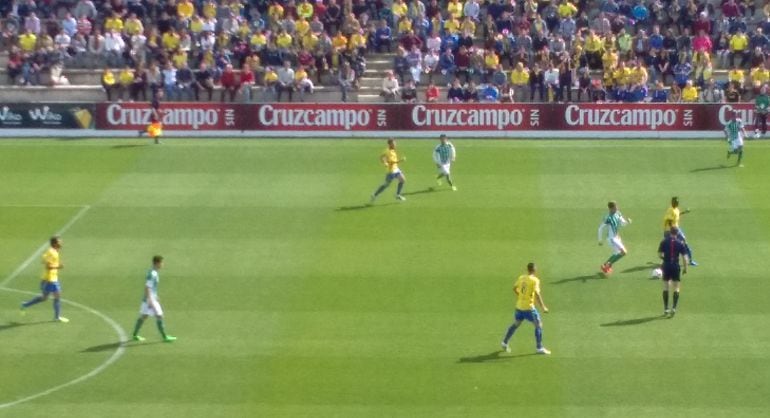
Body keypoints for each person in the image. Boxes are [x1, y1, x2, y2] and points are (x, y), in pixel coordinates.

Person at [500, 262, 551, 355]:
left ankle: (505, 342)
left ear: (527, 269)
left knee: (516, 323)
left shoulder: (521, 277)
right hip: (529, 308)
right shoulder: (535, 280)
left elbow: (514, 288)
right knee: (539, 325)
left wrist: (520, 296)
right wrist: (543, 307)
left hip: (519, 307)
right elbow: (537, 294)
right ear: (535, 270)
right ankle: (539, 347)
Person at [20, 236, 68, 322]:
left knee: (45, 298)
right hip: (49, 279)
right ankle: (56, 317)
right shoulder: (52, 252)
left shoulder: (52, 251)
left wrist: (53, 262)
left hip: (52, 278)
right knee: (55, 296)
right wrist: (58, 266)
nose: (61, 243)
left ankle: (25, 305)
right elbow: (47, 266)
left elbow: (43, 259)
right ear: (54, 243)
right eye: (59, 242)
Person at [131, 255, 176, 342]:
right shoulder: (152, 274)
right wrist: (151, 301)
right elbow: (147, 287)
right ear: (157, 263)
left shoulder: (153, 272)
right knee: (159, 316)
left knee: (144, 316)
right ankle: (165, 337)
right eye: (161, 262)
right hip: (150, 299)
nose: (163, 264)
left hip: (151, 298)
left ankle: (135, 335)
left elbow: (152, 288)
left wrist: (156, 296)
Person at [658, 228, 690, 317]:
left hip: (666, 266)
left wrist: (664, 260)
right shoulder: (680, 243)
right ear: (677, 233)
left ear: (669, 233)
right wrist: (685, 268)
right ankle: (674, 308)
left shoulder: (664, 242)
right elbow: (685, 257)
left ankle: (666, 308)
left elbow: (659, 254)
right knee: (676, 287)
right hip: (675, 266)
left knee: (665, 286)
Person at [598, 201, 632, 275]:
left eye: (617, 207)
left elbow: (623, 224)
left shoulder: (618, 213)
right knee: (624, 252)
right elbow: (600, 228)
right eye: (615, 208)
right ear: (610, 208)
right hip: (612, 239)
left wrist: (627, 222)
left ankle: (605, 265)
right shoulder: (608, 218)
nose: (617, 208)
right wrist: (600, 240)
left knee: (617, 253)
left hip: (616, 237)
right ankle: (607, 265)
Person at [663, 196, 697, 266]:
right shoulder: (670, 210)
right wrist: (673, 230)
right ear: (672, 202)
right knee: (670, 246)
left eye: (676, 202)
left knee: (683, 242)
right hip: (670, 231)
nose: (675, 203)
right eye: (674, 202)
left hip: (675, 229)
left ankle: (690, 260)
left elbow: (677, 214)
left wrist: (685, 212)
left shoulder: (676, 209)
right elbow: (669, 220)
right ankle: (666, 262)